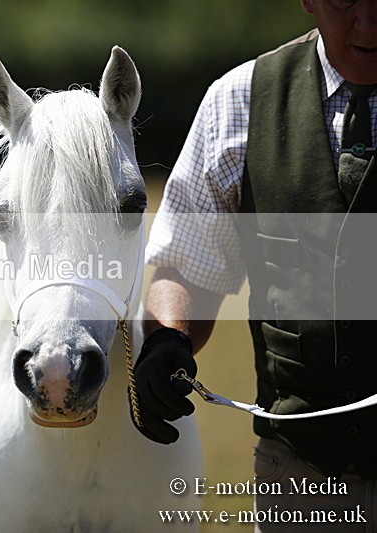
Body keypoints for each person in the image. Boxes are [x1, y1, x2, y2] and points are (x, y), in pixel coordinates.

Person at [132, 0, 377, 530]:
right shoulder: (237, 102)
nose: (370, 20)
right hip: (300, 472)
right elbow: (185, 269)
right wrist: (166, 342)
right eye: (346, 0)